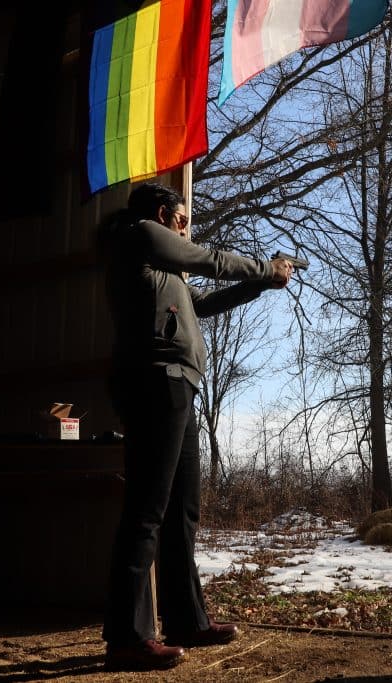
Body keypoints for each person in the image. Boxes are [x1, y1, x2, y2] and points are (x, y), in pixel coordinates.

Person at [96, 182, 294, 671]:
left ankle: (186, 620)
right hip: (154, 381)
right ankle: (126, 637)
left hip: (178, 384)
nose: (186, 227)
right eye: (182, 218)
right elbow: (211, 260)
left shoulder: (164, 271)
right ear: (165, 214)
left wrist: (261, 284)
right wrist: (265, 267)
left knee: (182, 511)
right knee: (146, 511)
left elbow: (202, 302)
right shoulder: (141, 234)